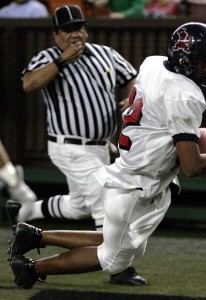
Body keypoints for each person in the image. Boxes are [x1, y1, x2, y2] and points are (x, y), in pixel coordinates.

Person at [7, 22, 206, 290]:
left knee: (122, 244)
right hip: (136, 186)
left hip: (135, 175)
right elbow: (192, 166)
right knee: (113, 258)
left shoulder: (154, 63)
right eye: (204, 61)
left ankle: (34, 235)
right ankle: (31, 269)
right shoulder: (185, 96)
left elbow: (147, 103)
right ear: (184, 58)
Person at [6, 5, 147, 286]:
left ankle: (24, 212)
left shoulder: (104, 54)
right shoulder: (47, 58)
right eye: (69, 30)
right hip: (68, 145)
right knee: (104, 198)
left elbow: (133, 78)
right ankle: (118, 267)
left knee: (80, 205)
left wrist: (132, 95)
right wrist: (60, 62)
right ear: (56, 34)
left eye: (80, 28)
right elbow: (29, 84)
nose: (76, 34)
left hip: (100, 145)